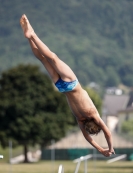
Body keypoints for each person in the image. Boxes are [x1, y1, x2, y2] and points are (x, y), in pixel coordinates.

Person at [20, 14, 115, 157]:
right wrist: (100, 150)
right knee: (43, 60)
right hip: (62, 87)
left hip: (72, 83)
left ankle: (32, 34)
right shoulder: (80, 119)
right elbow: (87, 138)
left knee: (52, 57)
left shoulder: (94, 115)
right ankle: (29, 37)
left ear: (96, 124)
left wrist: (110, 147)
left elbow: (107, 132)